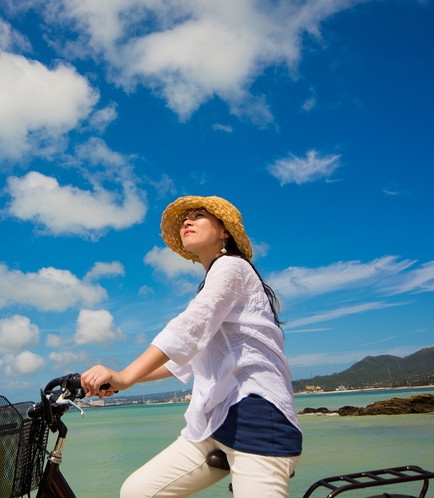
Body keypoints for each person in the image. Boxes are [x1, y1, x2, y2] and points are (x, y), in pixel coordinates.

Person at [81, 195, 301, 498]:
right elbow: (185, 359)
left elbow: (189, 327)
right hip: (216, 422)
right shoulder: (214, 281)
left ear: (225, 232)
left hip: (257, 421)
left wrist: (126, 375)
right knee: (136, 492)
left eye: (199, 216)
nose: (188, 221)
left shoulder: (232, 267)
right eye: (186, 218)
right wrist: (119, 381)